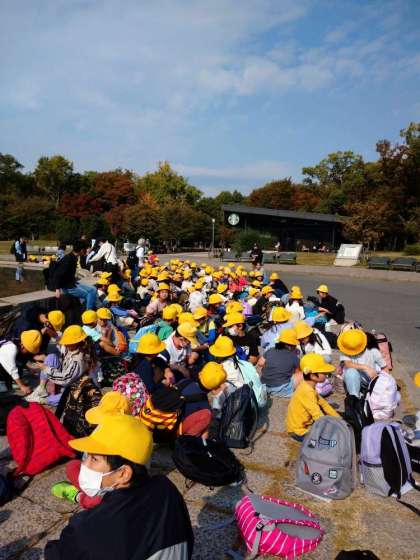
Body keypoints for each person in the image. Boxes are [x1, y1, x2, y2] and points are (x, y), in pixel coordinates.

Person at [44, 415, 194, 560]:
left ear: (123, 474)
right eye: (86, 456)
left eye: (94, 459)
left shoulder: (89, 529)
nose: (85, 465)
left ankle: (78, 496)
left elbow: (57, 553)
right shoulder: (166, 488)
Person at [286, 353, 340, 441]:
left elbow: (324, 404)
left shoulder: (307, 386)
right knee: (328, 442)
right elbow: (317, 414)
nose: (326, 374)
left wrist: (339, 419)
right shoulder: (307, 391)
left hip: (302, 425)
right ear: (312, 376)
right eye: (323, 373)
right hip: (298, 431)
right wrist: (330, 430)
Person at [337, 329, 387, 397]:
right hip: (354, 380)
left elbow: (384, 367)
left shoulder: (373, 351)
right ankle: (354, 397)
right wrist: (366, 367)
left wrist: (385, 382)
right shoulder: (346, 350)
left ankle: (368, 392)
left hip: (371, 380)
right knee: (351, 372)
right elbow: (348, 364)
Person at [53, 241, 98, 310]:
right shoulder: (68, 259)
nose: (86, 251)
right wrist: (57, 289)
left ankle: (89, 309)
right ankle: (89, 313)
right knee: (88, 295)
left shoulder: (73, 257)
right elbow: (57, 274)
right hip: (67, 287)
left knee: (93, 289)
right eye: (85, 249)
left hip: (72, 283)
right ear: (81, 250)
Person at [261, 329, 301, 397]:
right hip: (280, 389)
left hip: (265, 386)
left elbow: (260, 363)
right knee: (302, 374)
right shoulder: (293, 356)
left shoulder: (271, 350)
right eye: (294, 345)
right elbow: (297, 372)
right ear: (289, 345)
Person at [0, 330, 41, 395]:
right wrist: (22, 386)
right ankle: (2, 383)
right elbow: (12, 369)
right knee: (5, 386)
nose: (28, 352)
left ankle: (11, 381)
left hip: (4, 359)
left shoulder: (16, 341)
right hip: (4, 362)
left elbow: (20, 359)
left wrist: (30, 368)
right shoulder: (11, 348)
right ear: (22, 346)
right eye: (28, 350)